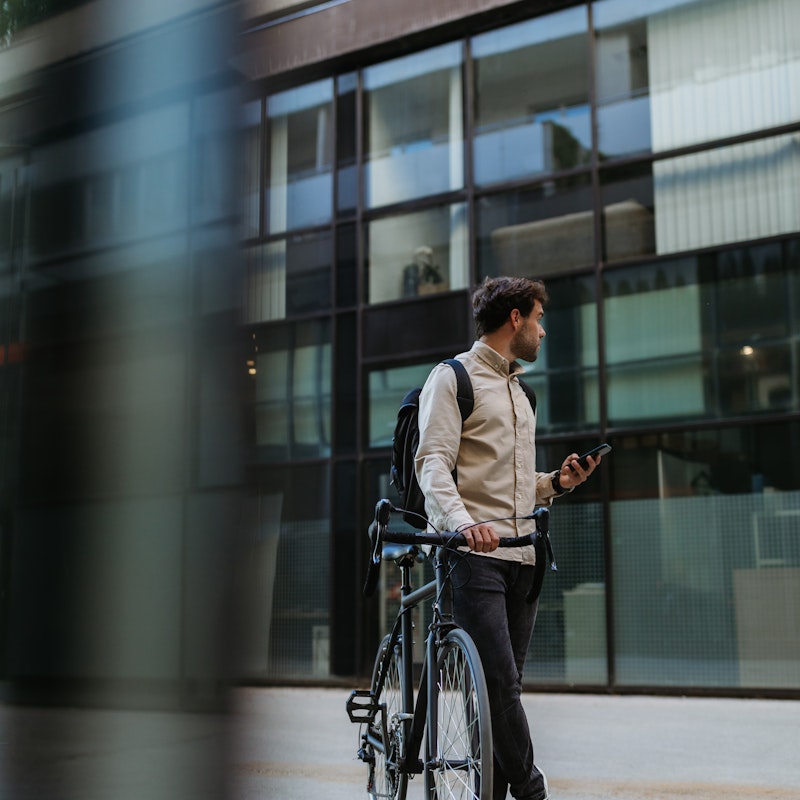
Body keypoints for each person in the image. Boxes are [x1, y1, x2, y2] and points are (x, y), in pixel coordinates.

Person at [415, 275, 601, 800]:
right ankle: (532, 791)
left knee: (503, 693)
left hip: (525, 556)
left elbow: (516, 484)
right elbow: (432, 464)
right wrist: (462, 524)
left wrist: (557, 483)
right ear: (515, 317)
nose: (543, 331)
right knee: (500, 683)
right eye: (539, 318)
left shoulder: (523, 392)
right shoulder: (453, 378)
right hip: (473, 555)